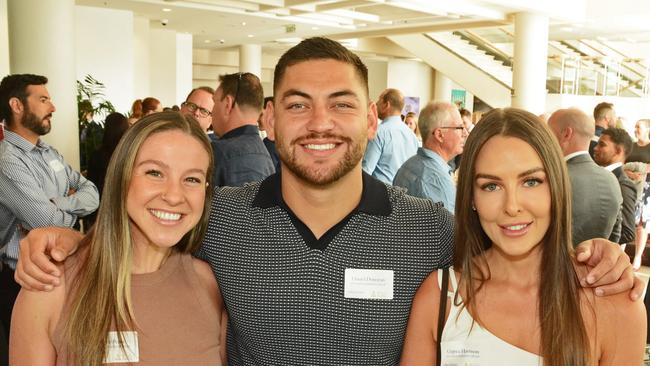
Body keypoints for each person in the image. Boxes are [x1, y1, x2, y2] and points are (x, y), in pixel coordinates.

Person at [14, 38, 644, 366]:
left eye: (341, 103)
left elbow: (513, 249)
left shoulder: (427, 228)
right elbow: (151, 227)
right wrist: (71, 241)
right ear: (268, 118)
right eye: (297, 105)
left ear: (371, 118)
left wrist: (592, 258)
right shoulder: (221, 216)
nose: (321, 123)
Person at [400, 108, 646, 366]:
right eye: (491, 186)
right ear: (471, 197)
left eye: (530, 182)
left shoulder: (615, 305)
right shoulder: (439, 297)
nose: (512, 206)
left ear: (556, 186)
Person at [10, 112, 226, 365]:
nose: (175, 195)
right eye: (155, 173)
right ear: (121, 177)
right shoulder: (50, 286)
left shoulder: (210, 284)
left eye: (192, 179)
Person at [0, 74, 99, 353]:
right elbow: (46, 222)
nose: (53, 106)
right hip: (24, 280)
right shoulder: (7, 161)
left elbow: (91, 192)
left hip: (61, 274)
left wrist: (57, 203)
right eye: (43, 99)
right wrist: (68, 212)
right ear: (17, 105)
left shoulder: (49, 153)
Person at [547, 108, 622, 246]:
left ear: (566, 134)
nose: (544, 140)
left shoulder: (555, 178)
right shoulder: (611, 180)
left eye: (548, 133)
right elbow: (616, 235)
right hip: (597, 264)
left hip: (554, 264)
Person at [393, 101, 467, 213]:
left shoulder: (408, 165)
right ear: (439, 135)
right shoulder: (437, 182)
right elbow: (448, 229)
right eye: (460, 127)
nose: (465, 133)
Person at [210, 72, 275, 186]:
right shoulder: (266, 157)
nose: (212, 111)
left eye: (215, 102)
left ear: (228, 104)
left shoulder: (219, 153)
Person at [362, 88, 418, 184]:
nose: (376, 104)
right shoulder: (412, 136)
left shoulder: (379, 133)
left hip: (382, 195)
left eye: (379, 101)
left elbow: (366, 172)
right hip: (405, 195)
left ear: (386, 105)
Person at [594, 127, 638, 245]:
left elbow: (628, 232)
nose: (595, 148)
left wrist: (595, 242)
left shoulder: (623, 184)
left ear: (618, 151)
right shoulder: (598, 174)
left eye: (602, 145)